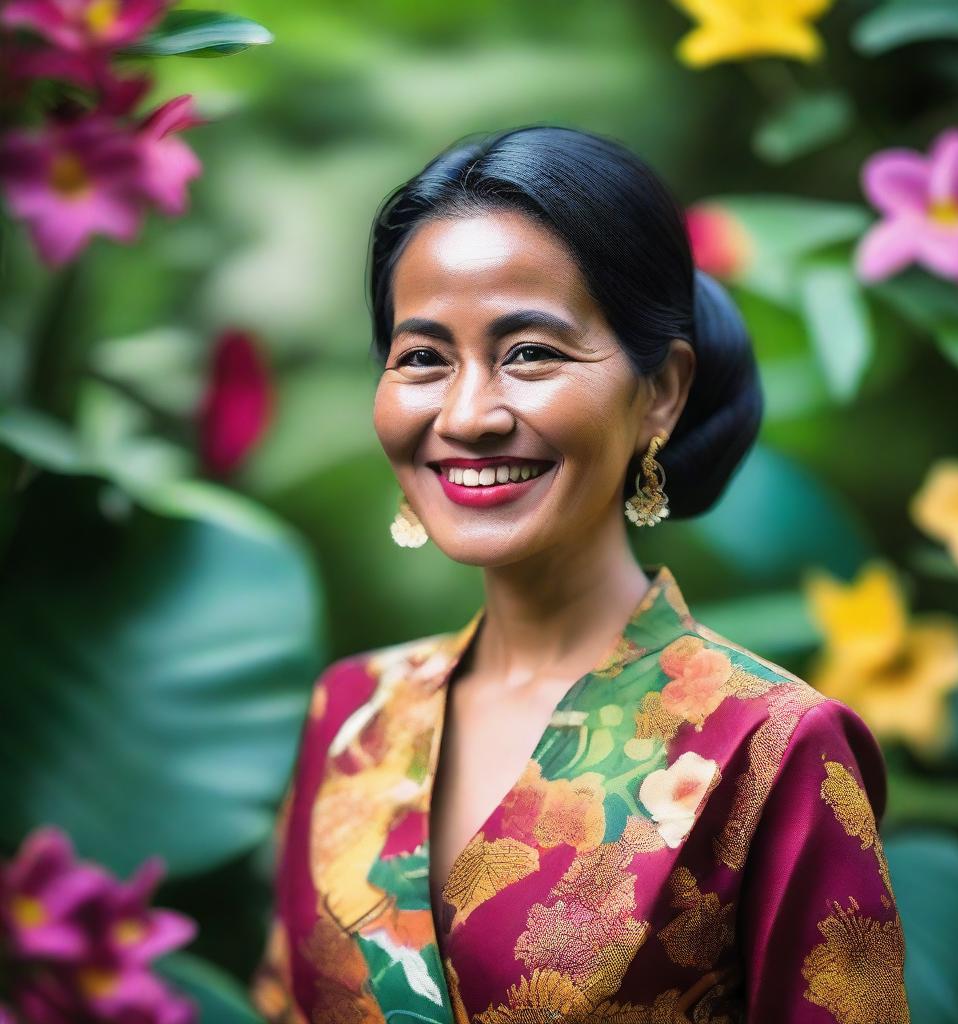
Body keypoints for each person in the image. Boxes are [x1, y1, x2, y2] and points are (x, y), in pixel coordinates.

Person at [247, 125, 910, 1024]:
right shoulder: (351, 713)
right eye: (423, 358)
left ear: (662, 392)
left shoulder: (771, 746)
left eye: (530, 353)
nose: (468, 413)